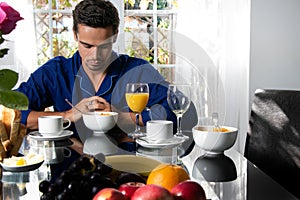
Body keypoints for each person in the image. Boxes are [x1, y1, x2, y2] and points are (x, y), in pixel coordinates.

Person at [16, 0, 197, 181]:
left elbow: (186, 113)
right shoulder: (56, 72)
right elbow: (12, 113)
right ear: (75, 35)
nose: (95, 56)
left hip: (128, 178)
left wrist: (125, 118)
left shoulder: (137, 71)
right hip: (68, 180)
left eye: (104, 46)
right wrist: (67, 115)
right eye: (87, 46)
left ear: (115, 36)